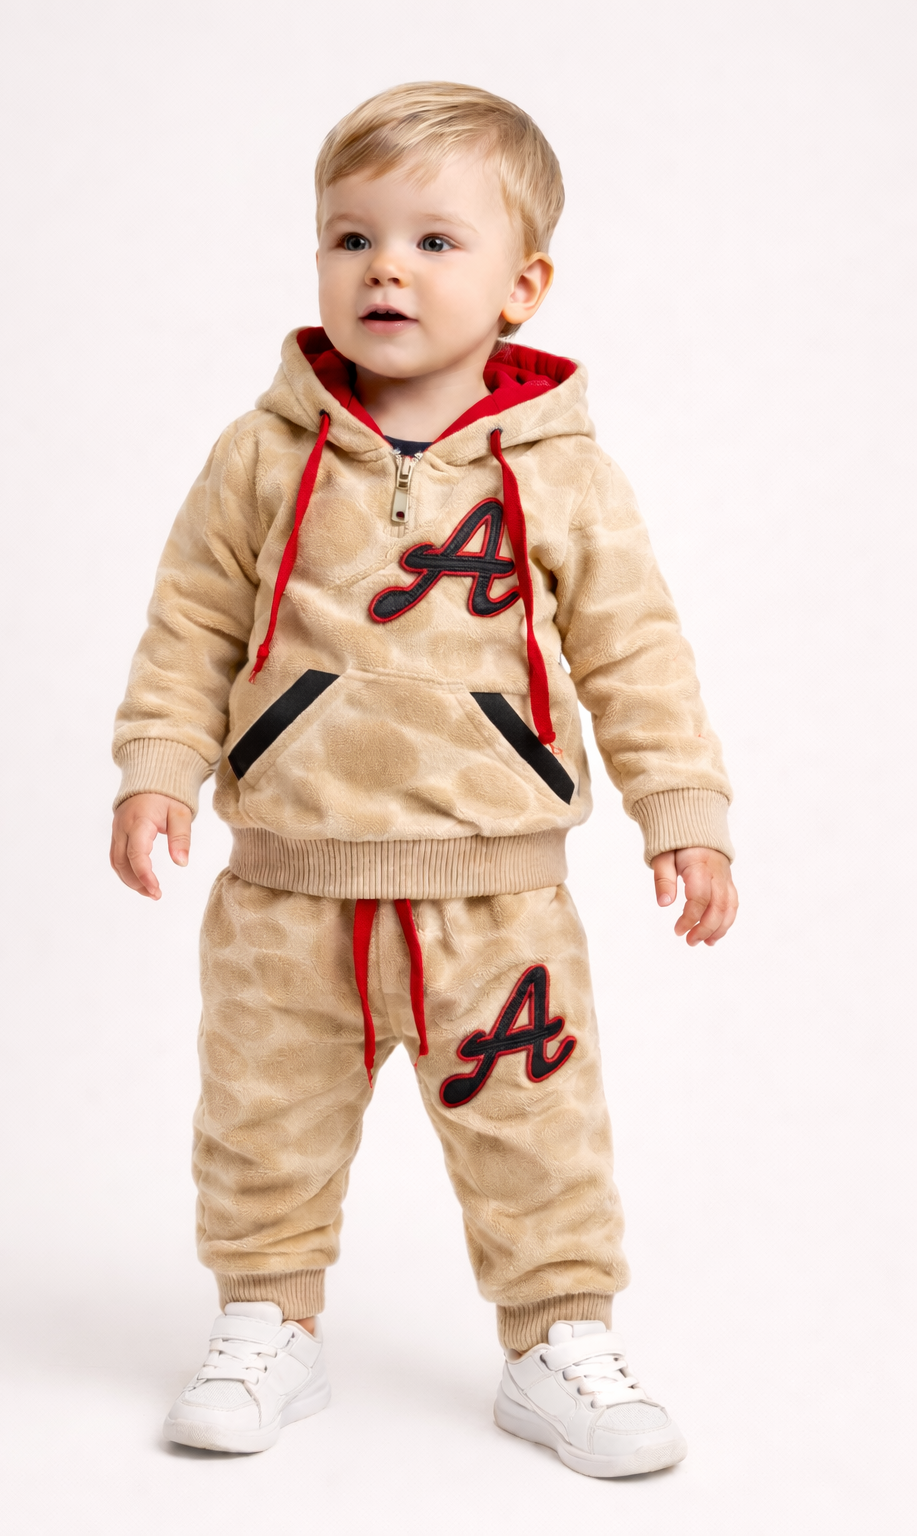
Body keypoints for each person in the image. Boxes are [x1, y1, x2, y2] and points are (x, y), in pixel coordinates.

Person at [110, 81, 737, 1477]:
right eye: (351, 237)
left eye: (434, 242)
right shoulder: (262, 454)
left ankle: (558, 1339)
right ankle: (268, 1320)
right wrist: (156, 765)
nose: (384, 266)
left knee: (538, 1128)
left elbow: (638, 651)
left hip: (494, 893)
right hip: (289, 884)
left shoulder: (564, 473)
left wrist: (682, 813)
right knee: (263, 1119)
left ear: (525, 285)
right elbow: (193, 622)